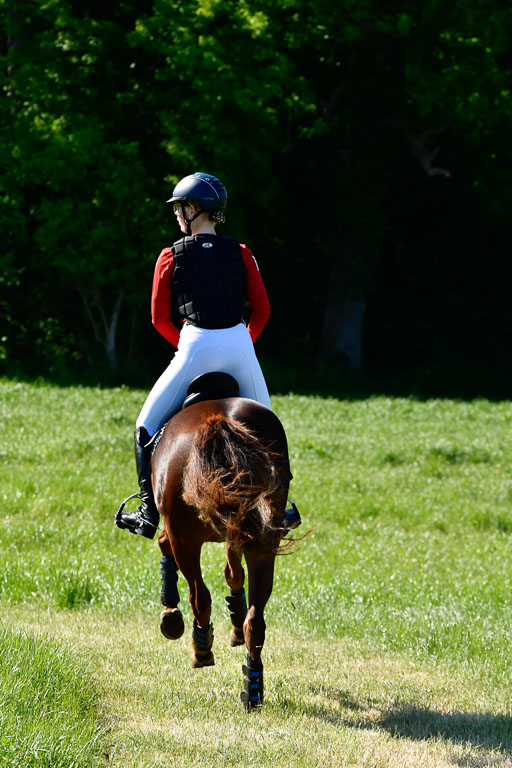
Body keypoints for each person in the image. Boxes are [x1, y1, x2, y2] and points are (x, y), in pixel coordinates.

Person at [115, 172, 301, 539]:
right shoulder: (242, 252)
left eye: (179, 207)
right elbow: (262, 311)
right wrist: (242, 343)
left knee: (145, 427)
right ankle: (282, 508)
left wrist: (186, 346)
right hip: (238, 345)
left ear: (193, 209)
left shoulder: (170, 255)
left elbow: (158, 317)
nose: (176, 214)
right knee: (270, 431)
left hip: (194, 345)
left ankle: (148, 512)